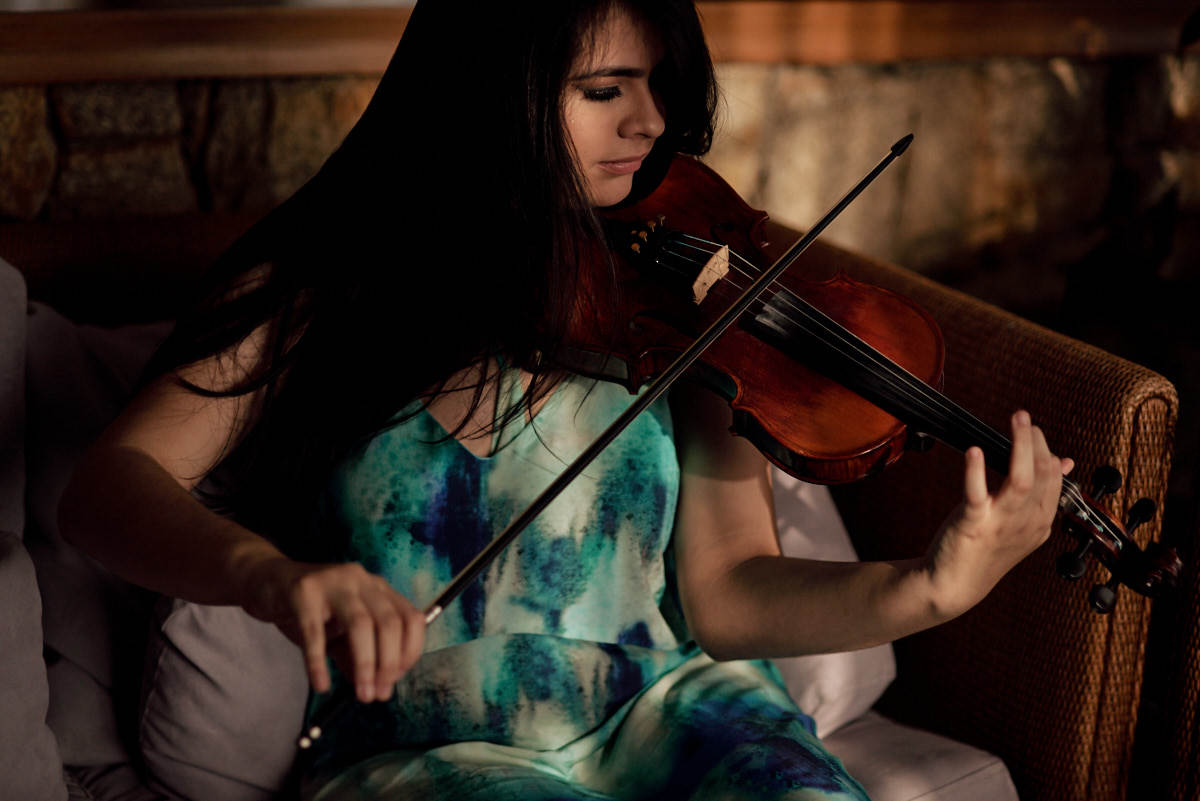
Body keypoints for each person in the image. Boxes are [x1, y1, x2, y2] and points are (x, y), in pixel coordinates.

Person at [58, 1, 1073, 799]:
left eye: (657, 85)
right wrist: (266, 577)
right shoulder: (325, 294)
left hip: (679, 712)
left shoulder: (680, 302)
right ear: (490, 96)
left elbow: (724, 593)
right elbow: (107, 487)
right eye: (604, 88)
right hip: (436, 748)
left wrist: (930, 589)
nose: (653, 121)